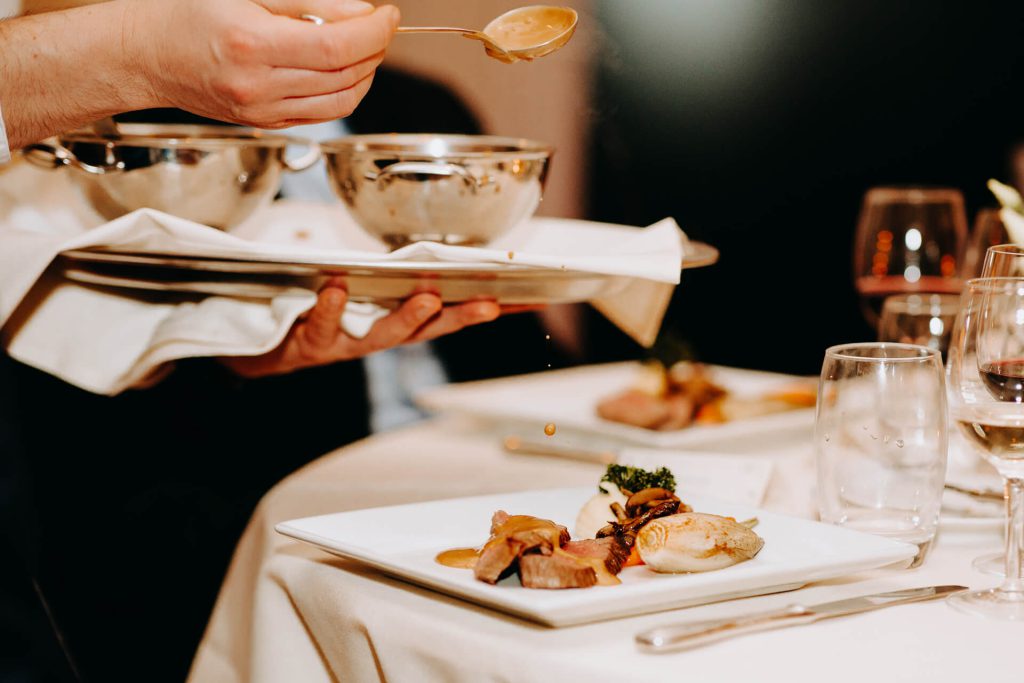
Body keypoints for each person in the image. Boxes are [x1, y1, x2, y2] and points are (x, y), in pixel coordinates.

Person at [0, 2, 553, 681]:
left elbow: (514, 334)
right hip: (259, 496)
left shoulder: (424, 106)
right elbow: (70, 373)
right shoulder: (146, 123)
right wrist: (232, 357)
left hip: (455, 466)